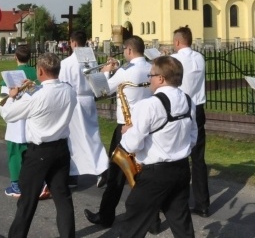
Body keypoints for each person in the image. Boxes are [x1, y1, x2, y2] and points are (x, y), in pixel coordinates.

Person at [0, 52, 77, 238]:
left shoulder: (35, 94)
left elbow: (8, 115)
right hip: (61, 148)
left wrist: (13, 97)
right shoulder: (69, 89)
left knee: (27, 200)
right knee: (62, 198)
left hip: (39, 152)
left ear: (40, 71)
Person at [119, 55, 198, 238]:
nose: (149, 79)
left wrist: (126, 132)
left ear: (161, 78)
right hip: (181, 168)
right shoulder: (188, 100)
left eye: (151, 75)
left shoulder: (149, 105)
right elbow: (193, 136)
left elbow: (131, 144)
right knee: (180, 220)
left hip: (156, 173)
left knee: (134, 220)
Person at [85, 36, 153, 228]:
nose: (123, 53)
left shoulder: (125, 70)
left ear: (130, 50)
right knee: (141, 172)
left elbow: (102, 91)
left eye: (124, 50)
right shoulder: (151, 67)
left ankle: (105, 216)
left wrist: (106, 72)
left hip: (125, 126)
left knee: (116, 174)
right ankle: (152, 218)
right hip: (146, 125)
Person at [59, 30, 109, 187]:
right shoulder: (91, 61)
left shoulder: (66, 63)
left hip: (75, 101)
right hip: (88, 99)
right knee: (92, 135)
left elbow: (63, 85)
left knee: (73, 139)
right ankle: (98, 168)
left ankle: (76, 174)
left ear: (73, 43)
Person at [170, 25, 210, 216]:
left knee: (178, 156)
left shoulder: (175, 59)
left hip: (181, 109)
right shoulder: (199, 57)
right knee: (198, 157)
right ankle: (203, 203)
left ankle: (179, 200)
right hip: (198, 108)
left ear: (177, 41)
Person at [0, 44, 40, 198]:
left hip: (16, 122)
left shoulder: (8, 77)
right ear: (30, 57)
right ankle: (36, 183)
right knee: (32, 154)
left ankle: (16, 186)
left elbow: (2, 101)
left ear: (15, 57)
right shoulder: (36, 75)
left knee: (15, 154)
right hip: (33, 122)